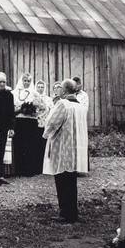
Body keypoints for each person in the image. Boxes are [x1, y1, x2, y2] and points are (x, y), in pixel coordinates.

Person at [43, 79, 81, 223]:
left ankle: (65, 213)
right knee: (71, 180)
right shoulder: (80, 105)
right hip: (75, 147)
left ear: (64, 91)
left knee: (61, 179)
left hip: (62, 147)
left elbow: (52, 122)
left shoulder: (63, 104)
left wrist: (46, 135)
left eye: (60, 89)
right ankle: (73, 212)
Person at [12, 73, 39, 176]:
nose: (26, 83)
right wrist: (20, 109)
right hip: (19, 120)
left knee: (30, 144)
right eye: (25, 80)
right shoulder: (15, 92)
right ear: (21, 81)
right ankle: (19, 169)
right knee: (19, 144)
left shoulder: (34, 93)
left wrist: (30, 109)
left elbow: (38, 107)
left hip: (30, 121)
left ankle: (29, 169)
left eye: (28, 81)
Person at [71, 76, 89, 175]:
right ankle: (72, 167)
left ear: (81, 84)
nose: (77, 86)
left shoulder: (84, 95)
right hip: (71, 121)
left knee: (81, 143)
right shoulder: (70, 94)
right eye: (75, 84)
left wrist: (76, 105)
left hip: (80, 121)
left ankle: (81, 168)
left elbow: (85, 108)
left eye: (78, 84)